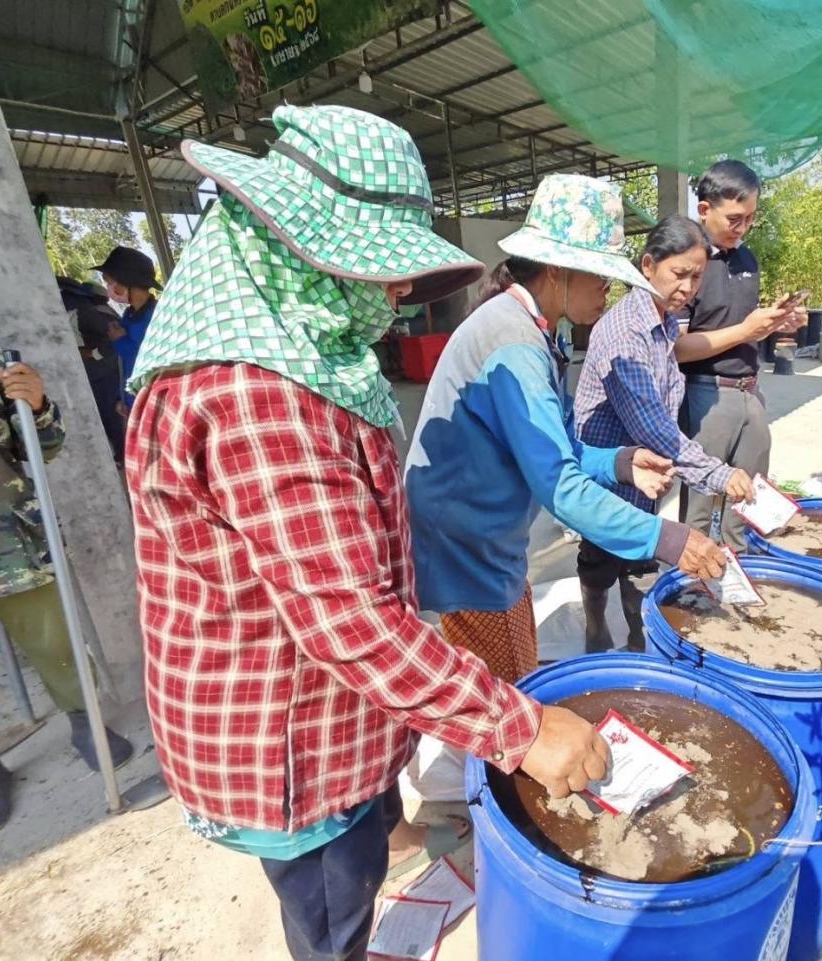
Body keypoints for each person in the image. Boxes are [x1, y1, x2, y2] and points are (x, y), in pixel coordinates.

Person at [123, 106, 609, 961]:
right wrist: (522, 726)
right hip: (290, 742)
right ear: (288, 245)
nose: (392, 295)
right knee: (330, 919)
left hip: (331, 707)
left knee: (362, 852)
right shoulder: (259, 397)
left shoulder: (298, 353)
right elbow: (348, 621)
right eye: (376, 268)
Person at [406, 173, 728, 687]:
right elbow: (558, 483)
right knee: (504, 692)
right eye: (599, 275)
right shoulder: (513, 342)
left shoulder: (536, 327)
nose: (608, 288)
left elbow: (552, 441)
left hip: (493, 532)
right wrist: (665, 536)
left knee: (516, 661)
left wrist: (616, 460)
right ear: (558, 272)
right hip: (466, 537)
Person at [0, 245, 132, 839]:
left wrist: (39, 405)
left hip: (2, 534)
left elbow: (42, 446)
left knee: (53, 639)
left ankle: (85, 721)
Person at [574, 214, 755, 652]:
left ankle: (640, 646)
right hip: (609, 471)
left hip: (645, 475)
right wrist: (717, 473)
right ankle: (596, 625)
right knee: (600, 557)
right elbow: (652, 427)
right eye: (680, 274)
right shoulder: (624, 332)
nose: (689, 288)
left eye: (697, 277)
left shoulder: (666, 324)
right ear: (648, 264)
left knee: (640, 563)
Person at [676, 159, 807, 550]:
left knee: (747, 501)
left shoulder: (746, 259)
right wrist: (747, 330)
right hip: (705, 394)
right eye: (735, 218)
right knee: (699, 508)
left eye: (750, 219)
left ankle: (740, 580)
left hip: (750, 389)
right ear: (704, 209)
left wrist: (775, 323)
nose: (743, 228)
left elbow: (743, 326)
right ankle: (689, 594)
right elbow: (678, 348)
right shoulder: (687, 261)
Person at [58, 277, 126, 464]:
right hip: (99, 374)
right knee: (108, 416)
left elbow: (114, 340)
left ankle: (125, 455)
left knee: (112, 415)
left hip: (105, 373)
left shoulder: (86, 313)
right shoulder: (83, 312)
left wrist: (92, 353)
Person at [93, 245, 158, 410]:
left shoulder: (157, 317)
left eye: (109, 282)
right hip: (133, 403)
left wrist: (120, 340)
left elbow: (148, 361)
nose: (108, 287)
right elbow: (124, 365)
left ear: (127, 282)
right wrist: (120, 397)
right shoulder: (129, 315)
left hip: (151, 405)